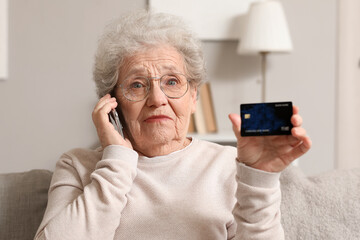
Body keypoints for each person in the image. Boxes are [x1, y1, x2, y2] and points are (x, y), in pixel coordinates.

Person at [34, 10, 311, 240]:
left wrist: (258, 178)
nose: (157, 99)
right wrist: (117, 162)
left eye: (171, 82)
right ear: (112, 103)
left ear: (193, 97)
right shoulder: (78, 165)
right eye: (137, 85)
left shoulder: (231, 165)